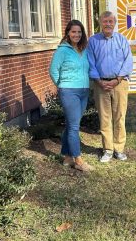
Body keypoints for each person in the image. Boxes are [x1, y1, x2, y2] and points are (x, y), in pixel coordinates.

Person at [87, 11, 133, 163]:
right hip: (100, 84)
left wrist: (117, 79)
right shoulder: (93, 41)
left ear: (115, 23)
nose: (108, 24)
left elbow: (128, 61)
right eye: (105, 21)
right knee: (105, 117)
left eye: (110, 21)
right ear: (100, 22)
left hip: (119, 83)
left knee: (120, 116)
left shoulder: (121, 40)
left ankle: (119, 149)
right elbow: (90, 62)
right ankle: (108, 149)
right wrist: (99, 81)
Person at [49, 20, 93, 172]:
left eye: (79, 32)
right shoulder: (62, 51)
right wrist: (62, 85)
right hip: (69, 91)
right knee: (74, 127)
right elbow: (53, 70)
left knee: (71, 124)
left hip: (83, 91)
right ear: (68, 33)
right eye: (73, 32)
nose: (76, 35)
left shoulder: (84, 50)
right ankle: (78, 159)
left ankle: (67, 156)